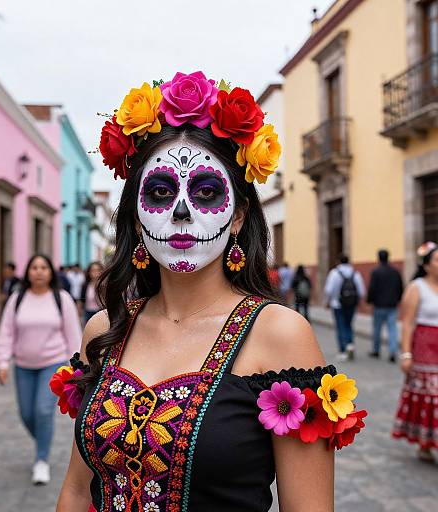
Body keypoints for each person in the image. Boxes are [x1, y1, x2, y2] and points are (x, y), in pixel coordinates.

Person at [54, 71, 366, 512]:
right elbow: (74, 490)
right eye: (161, 192)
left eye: (205, 192)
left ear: (238, 216)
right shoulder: (104, 330)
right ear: (137, 214)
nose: (181, 212)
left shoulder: (281, 336)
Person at [0, 254, 82, 485]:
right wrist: (2, 362)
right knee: (26, 414)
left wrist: (78, 368)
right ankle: (44, 440)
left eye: (44, 267)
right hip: (23, 365)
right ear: (28, 272)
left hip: (52, 363)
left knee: (43, 411)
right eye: (34, 267)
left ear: (51, 272)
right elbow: (6, 332)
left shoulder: (61, 298)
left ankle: (41, 459)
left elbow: (73, 334)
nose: (39, 271)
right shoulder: (17, 298)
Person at [393, 242, 438, 462]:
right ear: (427, 265)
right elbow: (408, 323)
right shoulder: (417, 287)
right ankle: (425, 443)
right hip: (424, 349)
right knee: (430, 396)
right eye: (437, 259)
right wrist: (406, 354)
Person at [324, 254, 365, 361]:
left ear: (338, 262)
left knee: (340, 326)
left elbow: (329, 289)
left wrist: (328, 301)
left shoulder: (334, 273)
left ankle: (343, 350)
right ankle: (350, 344)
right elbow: (361, 291)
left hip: (337, 304)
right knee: (349, 324)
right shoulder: (355, 273)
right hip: (351, 303)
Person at [367, 249, 403, 362]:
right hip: (392, 305)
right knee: (392, 329)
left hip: (379, 305)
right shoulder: (395, 271)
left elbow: (372, 288)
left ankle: (376, 350)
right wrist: (398, 299)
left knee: (377, 329)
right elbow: (400, 287)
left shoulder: (376, 272)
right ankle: (392, 351)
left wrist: (369, 300)